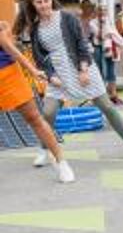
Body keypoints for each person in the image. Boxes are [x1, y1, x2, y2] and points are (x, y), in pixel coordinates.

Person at [16, 0, 123, 163]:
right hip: (58, 72)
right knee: (48, 113)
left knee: (107, 107)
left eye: (46, 0)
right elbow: (40, 57)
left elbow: (81, 44)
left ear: (51, 0)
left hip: (81, 66)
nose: (43, 4)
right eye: (39, 2)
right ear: (33, 4)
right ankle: (44, 150)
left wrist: (83, 70)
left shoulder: (67, 18)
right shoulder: (35, 28)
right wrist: (51, 76)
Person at [0, 21, 75, 183]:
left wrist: (33, 70)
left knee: (34, 118)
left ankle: (61, 162)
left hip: (8, 75)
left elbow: (13, 51)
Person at [89, 5, 123, 105]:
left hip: (110, 48)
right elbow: (100, 36)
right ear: (96, 12)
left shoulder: (109, 21)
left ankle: (113, 95)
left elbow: (114, 34)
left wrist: (109, 32)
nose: (102, 12)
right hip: (98, 48)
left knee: (111, 70)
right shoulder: (92, 22)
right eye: (100, 10)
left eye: (104, 10)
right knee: (100, 71)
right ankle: (101, 96)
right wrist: (103, 27)